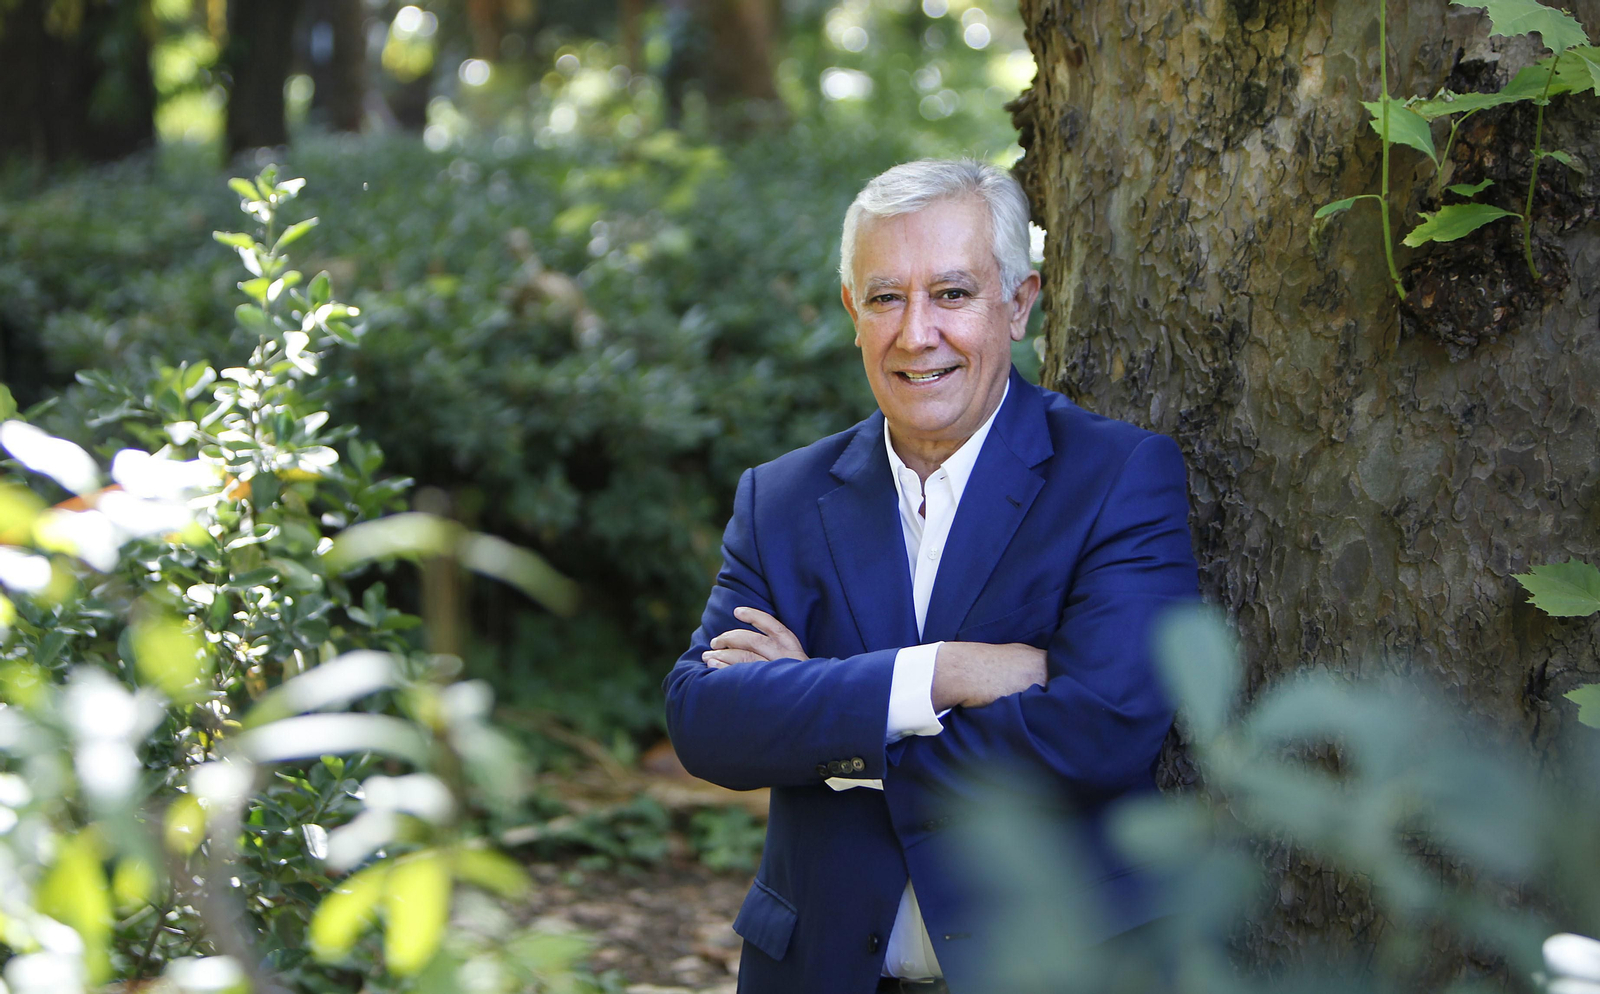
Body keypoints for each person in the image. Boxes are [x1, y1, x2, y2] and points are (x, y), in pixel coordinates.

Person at [663, 159, 1199, 994]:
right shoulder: (782, 498)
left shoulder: (1117, 477)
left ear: (1018, 304)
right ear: (852, 312)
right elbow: (705, 720)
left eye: (951, 294)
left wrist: (829, 725)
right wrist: (941, 674)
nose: (916, 333)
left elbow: (1104, 727)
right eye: (885, 297)